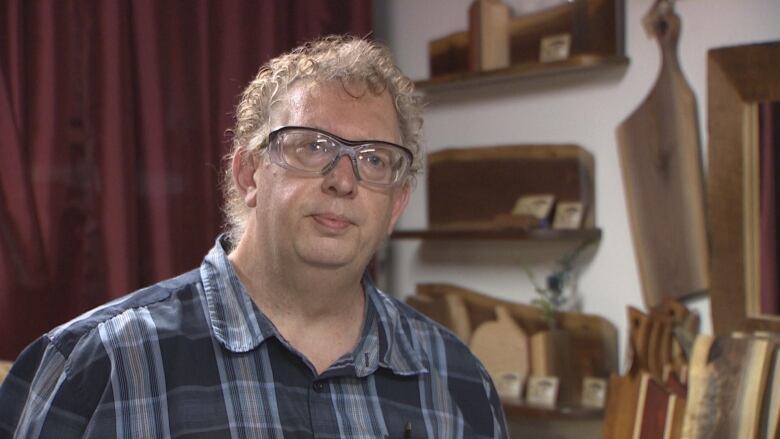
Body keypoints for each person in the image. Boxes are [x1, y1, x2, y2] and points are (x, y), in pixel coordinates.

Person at [0, 35, 508, 438]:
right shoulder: (94, 368)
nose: (343, 180)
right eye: (312, 146)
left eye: (374, 160)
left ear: (396, 202)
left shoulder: (458, 381)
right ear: (248, 175)